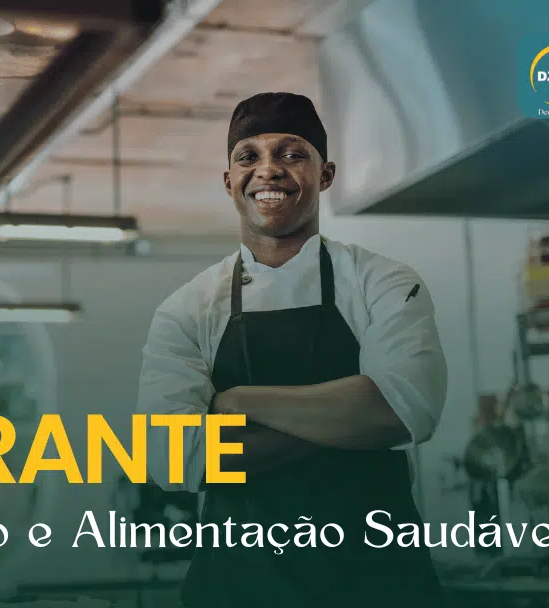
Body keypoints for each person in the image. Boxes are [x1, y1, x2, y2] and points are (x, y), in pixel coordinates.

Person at [136, 92, 448, 607]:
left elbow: (404, 412)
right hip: (239, 587)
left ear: (325, 175)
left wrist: (238, 403)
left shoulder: (383, 283)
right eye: (249, 156)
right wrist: (349, 423)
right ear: (229, 182)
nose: (269, 170)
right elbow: (174, 460)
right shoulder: (187, 309)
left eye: (291, 154)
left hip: (376, 584)